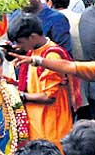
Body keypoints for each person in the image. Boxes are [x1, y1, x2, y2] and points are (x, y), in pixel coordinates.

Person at [6, 15, 74, 146]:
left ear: (32, 37)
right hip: (36, 120)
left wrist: (20, 97)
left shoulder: (51, 56)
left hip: (51, 123)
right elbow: (31, 83)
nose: (18, 46)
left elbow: (49, 97)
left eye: (20, 42)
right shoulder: (33, 51)